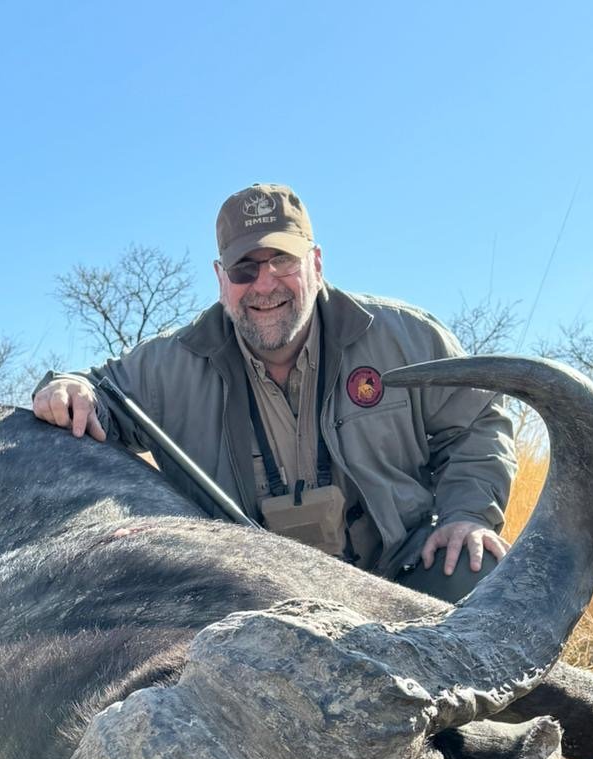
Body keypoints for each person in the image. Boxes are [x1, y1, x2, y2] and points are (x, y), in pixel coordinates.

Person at [33, 183, 517, 601]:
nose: (265, 284)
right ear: (221, 280)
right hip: (247, 605)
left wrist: (466, 514)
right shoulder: (169, 364)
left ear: (317, 262)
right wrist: (68, 387)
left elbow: (477, 424)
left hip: (396, 577)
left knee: (475, 569)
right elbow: (96, 396)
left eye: (282, 259)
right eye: (244, 268)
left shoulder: (405, 337)